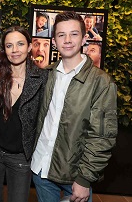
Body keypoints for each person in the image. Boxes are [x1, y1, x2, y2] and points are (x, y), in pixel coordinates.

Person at [31, 11, 117, 202]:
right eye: (61, 35)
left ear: (84, 38)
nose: (67, 40)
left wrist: (85, 178)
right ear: (54, 41)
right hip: (40, 168)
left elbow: (102, 137)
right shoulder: (47, 74)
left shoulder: (101, 82)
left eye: (74, 34)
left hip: (74, 176)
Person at [0, 26, 48, 202]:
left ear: (30, 47)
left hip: (21, 156)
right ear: (4, 49)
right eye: (9, 46)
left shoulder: (42, 78)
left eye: (20, 44)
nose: (15, 50)